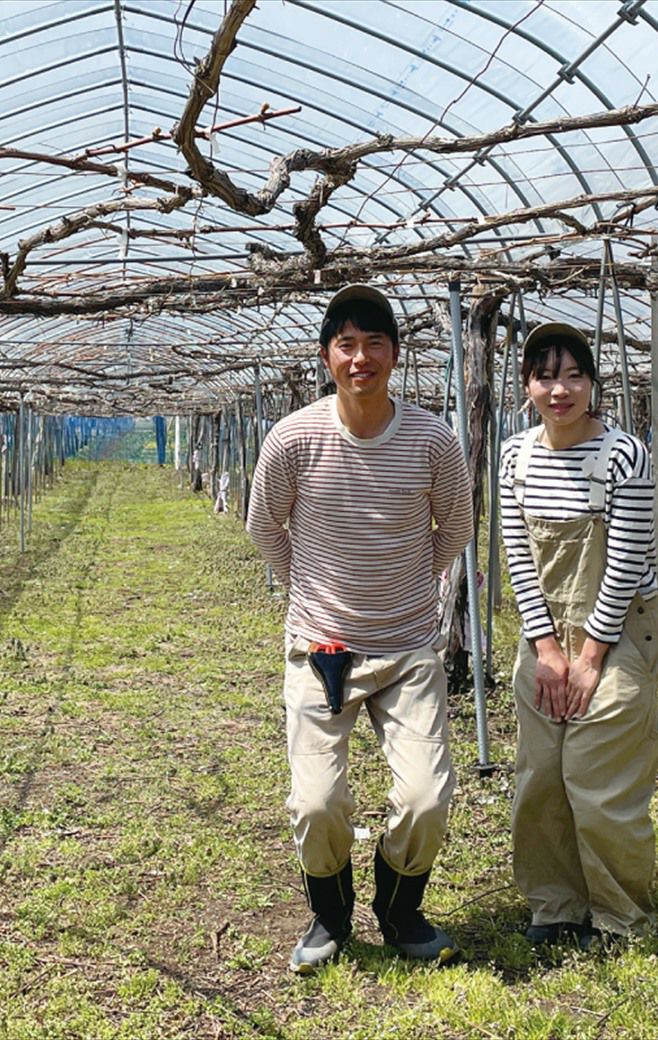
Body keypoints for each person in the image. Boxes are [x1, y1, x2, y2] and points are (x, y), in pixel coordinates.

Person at [246, 284, 473, 973]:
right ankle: (330, 915)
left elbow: (455, 530)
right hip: (323, 649)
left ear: (396, 355)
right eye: (347, 343)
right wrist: (311, 592)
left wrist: (404, 593)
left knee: (427, 798)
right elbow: (265, 527)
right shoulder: (293, 437)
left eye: (375, 342)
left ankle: (401, 909)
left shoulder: (433, 439)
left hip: (407, 649)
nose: (361, 357)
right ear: (327, 356)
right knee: (317, 802)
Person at [498, 321, 658, 949]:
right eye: (545, 376)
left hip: (616, 627)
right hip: (544, 629)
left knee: (599, 776)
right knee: (540, 773)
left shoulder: (623, 454)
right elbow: (518, 553)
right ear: (527, 386)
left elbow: (622, 561)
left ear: (593, 384)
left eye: (573, 375)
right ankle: (556, 908)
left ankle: (622, 918)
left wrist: (590, 657)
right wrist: (545, 649)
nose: (559, 389)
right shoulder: (515, 455)